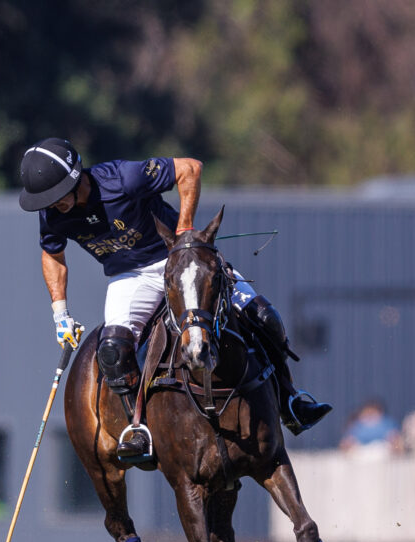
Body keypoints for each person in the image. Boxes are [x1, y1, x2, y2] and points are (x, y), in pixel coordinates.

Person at [17, 137, 331, 461]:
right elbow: (52, 253)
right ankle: (138, 428)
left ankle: (290, 401)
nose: (53, 205)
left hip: (179, 261)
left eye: (55, 196)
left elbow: (190, 168)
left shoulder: (122, 178)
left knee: (265, 317)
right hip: (131, 277)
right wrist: (60, 314)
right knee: (112, 351)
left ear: (75, 177)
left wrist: (184, 231)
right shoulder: (53, 215)